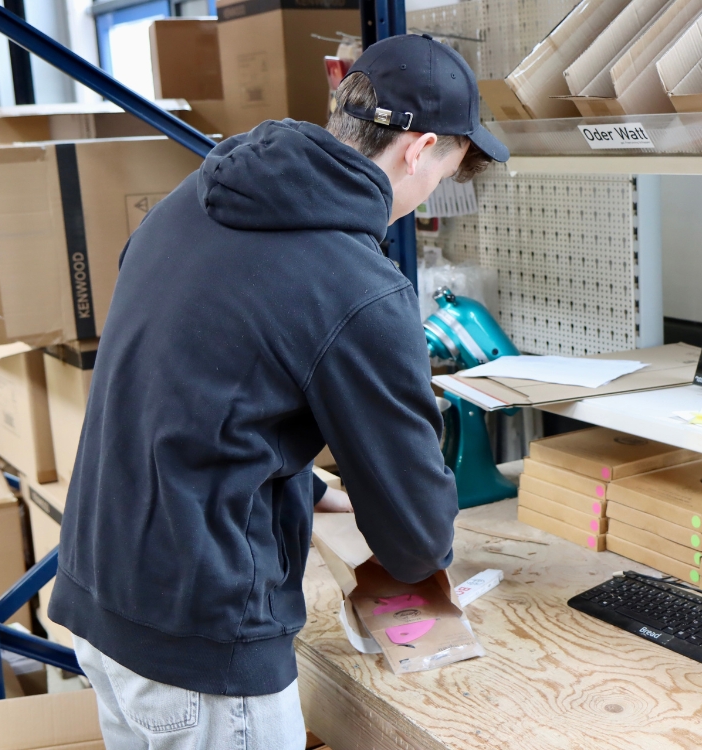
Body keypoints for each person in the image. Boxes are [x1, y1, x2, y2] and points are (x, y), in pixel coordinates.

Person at [47, 33, 509, 750]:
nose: (430, 193)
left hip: (103, 600)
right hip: (201, 642)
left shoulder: (199, 195)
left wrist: (310, 488)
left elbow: (191, 382)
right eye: (445, 172)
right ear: (419, 151)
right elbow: (417, 542)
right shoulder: (355, 283)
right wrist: (416, 523)